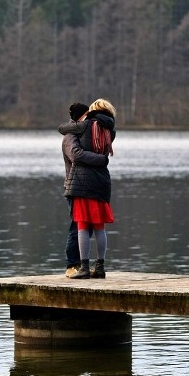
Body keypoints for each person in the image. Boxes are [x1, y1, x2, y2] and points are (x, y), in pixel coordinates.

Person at [59, 99, 116, 279]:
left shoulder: (81, 128)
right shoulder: (109, 131)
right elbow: (77, 152)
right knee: (96, 226)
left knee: (81, 226)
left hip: (81, 184)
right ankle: (91, 266)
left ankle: (81, 266)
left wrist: (80, 123)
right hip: (100, 182)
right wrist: (102, 160)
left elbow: (64, 131)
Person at [62, 102, 91, 277]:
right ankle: (71, 264)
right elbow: (75, 155)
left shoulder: (81, 134)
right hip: (74, 187)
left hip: (85, 186)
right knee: (77, 226)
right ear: (81, 116)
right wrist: (99, 158)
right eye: (87, 115)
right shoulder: (70, 136)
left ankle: (83, 264)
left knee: (88, 226)